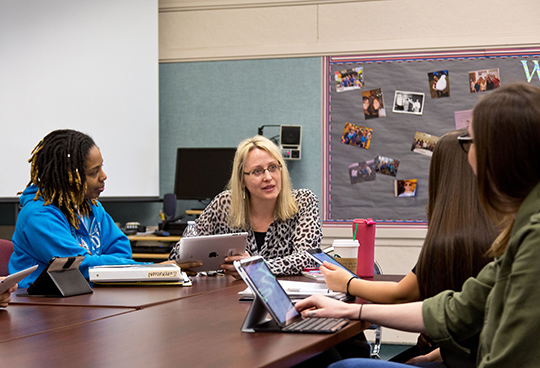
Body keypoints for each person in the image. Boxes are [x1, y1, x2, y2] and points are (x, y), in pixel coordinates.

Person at [295, 83, 540, 368]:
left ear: (501, 154)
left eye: (470, 142)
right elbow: (451, 310)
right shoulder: (522, 229)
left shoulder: (534, 238)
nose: (468, 155)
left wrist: (352, 296)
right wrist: (352, 311)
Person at [322, 129, 500, 367]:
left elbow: (401, 295)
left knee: (342, 365)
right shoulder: (498, 233)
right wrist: (434, 355)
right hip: (466, 355)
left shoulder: (449, 242)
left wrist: (348, 283)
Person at [9, 129, 197, 288]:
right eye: (93, 172)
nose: (104, 176)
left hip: (89, 299)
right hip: (40, 309)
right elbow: (77, 265)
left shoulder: (92, 207)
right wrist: (150, 269)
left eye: (101, 167)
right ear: (68, 178)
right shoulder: (38, 216)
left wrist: (119, 270)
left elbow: (121, 251)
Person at [169, 135, 322, 279]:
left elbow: (307, 257)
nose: (268, 177)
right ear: (242, 179)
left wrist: (253, 267)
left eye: (273, 167)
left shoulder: (303, 201)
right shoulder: (224, 205)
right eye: (257, 171)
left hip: (285, 298)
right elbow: (179, 254)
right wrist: (191, 256)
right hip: (229, 297)